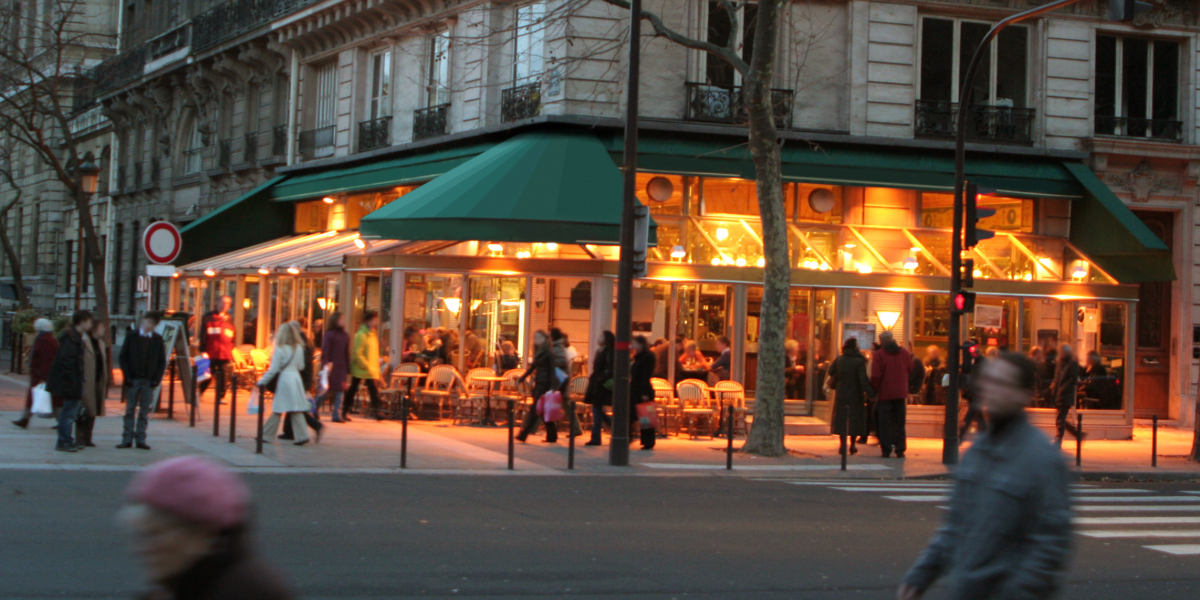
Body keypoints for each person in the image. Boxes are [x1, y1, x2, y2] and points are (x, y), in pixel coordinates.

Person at [897, 352, 1072, 600]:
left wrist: (1019, 591)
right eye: (989, 381)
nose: (992, 390)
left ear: (1024, 394)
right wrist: (922, 574)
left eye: (1002, 383)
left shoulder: (1042, 458)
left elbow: (1050, 544)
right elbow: (955, 525)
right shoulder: (977, 451)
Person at [121, 456, 294, 600]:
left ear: (204, 532)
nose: (141, 549)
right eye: (140, 535)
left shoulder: (247, 591)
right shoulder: (182, 585)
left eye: (155, 534)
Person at [46, 311, 94, 452]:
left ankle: (66, 440)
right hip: (70, 383)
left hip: (71, 381)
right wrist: (74, 381)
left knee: (69, 412)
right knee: (68, 413)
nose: (90, 325)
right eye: (89, 322)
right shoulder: (72, 338)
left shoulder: (74, 337)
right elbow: (67, 361)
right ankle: (64, 441)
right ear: (82, 322)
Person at [118, 312, 167, 450]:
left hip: (148, 380)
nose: (148, 325)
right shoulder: (132, 336)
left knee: (144, 411)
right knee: (130, 410)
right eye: (147, 322)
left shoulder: (157, 339)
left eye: (152, 323)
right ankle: (127, 438)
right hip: (133, 379)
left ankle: (140, 438)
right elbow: (123, 357)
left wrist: (155, 380)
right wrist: (127, 376)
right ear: (143, 321)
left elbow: (161, 362)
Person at [258, 323, 311, 446]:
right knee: (296, 408)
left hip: (285, 379)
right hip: (296, 379)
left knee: (278, 408)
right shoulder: (299, 348)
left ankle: (266, 434)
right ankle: (302, 435)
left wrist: (262, 381)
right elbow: (301, 366)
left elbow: (273, 369)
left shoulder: (279, 348)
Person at [826, 337, 873, 456]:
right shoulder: (859, 361)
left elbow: (830, 371)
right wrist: (870, 393)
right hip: (856, 394)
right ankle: (852, 445)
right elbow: (863, 380)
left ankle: (842, 445)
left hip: (841, 393)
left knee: (842, 418)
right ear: (856, 347)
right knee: (855, 419)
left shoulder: (840, 359)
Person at [870, 331, 912, 458]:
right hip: (900, 393)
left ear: (881, 342)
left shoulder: (879, 354)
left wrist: (874, 390)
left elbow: (876, 376)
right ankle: (900, 449)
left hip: (885, 394)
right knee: (900, 423)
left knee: (885, 423)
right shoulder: (904, 352)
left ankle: (886, 449)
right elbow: (911, 368)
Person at [279, 321, 324, 442]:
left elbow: (301, 364)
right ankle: (289, 431)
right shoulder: (307, 341)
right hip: (304, 378)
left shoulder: (301, 343)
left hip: (301, 378)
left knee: (296, 406)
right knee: (294, 404)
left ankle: (315, 425)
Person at [12, 318, 58, 429]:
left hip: (41, 375)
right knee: (49, 398)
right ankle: (25, 418)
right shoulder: (46, 339)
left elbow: (46, 359)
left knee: (46, 398)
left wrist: (43, 375)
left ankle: (25, 419)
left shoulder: (46, 340)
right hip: (41, 374)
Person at [516, 330, 559, 443]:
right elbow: (533, 367)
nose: (537, 340)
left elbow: (552, 370)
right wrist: (522, 377)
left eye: (540, 337)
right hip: (540, 383)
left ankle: (524, 434)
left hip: (545, 384)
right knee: (543, 410)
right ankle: (552, 435)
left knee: (535, 409)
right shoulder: (539, 351)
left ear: (545, 339)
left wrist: (552, 387)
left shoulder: (549, 353)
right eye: (536, 337)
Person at [75, 320, 109, 448]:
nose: (103, 330)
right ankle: (80, 438)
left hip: (98, 380)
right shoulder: (84, 342)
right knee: (84, 410)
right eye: (101, 327)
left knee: (93, 410)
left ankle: (88, 438)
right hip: (86, 381)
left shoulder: (100, 343)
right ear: (94, 329)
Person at [199, 295, 236, 405]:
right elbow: (203, 334)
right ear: (218, 303)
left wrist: (232, 347)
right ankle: (200, 392)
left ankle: (221, 396)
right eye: (223, 302)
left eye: (228, 303)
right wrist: (203, 349)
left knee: (224, 375)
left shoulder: (230, 319)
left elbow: (233, 335)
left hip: (225, 352)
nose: (225, 305)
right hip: (211, 351)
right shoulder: (208, 317)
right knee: (208, 375)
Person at [348, 310, 383, 420]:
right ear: (368, 321)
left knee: (373, 390)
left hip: (369, 368)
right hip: (361, 368)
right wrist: (367, 365)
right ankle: (344, 409)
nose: (376, 322)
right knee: (353, 389)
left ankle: (378, 411)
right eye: (374, 320)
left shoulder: (373, 334)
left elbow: (374, 353)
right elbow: (357, 353)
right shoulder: (362, 334)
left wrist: (375, 367)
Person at [316, 312, 351, 422]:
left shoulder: (345, 336)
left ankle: (337, 414)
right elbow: (325, 350)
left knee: (340, 391)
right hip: (331, 367)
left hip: (341, 367)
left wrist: (347, 368)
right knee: (326, 390)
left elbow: (346, 353)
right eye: (341, 319)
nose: (343, 321)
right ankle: (314, 409)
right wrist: (326, 363)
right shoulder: (330, 334)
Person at [583, 331, 615, 446]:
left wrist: (600, 379)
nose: (598, 338)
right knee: (597, 410)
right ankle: (612, 427)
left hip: (602, 384)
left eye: (601, 336)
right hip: (597, 383)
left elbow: (610, 369)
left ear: (606, 339)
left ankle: (596, 437)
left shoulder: (609, 352)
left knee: (597, 409)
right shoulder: (599, 351)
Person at [1051, 343, 1083, 447]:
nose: (1061, 353)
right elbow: (1057, 378)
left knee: (1060, 418)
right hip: (1059, 394)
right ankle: (1077, 434)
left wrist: (1063, 389)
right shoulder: (1060, 363)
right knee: (1061, 418)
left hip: (1065, 395)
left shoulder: (1072, 364)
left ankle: (1058, 439)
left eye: (1063, 352)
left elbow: (1072, 380)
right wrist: (1054, 390)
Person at [629, 335, 657, 450]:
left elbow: (645, 375)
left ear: (640, 344)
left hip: (642, 390)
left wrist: (644, 392)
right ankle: (630, 436)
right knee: (635, 415)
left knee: (645, 416)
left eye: (634, 343)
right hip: (635, 389)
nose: (632, 345)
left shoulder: (647, 357)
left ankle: (648, 441)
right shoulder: (638, 357)